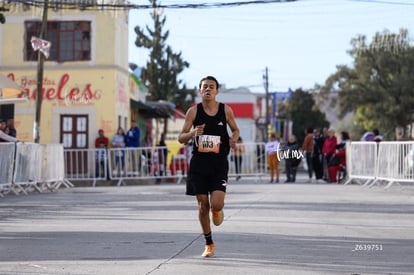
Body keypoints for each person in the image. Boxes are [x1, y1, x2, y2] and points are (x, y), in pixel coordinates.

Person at [178, 76, 240, 258]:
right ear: (199, 90)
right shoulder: (193, 112)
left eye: (211, 87)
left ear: (216, 91)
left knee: (217, 203)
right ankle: (209, 243)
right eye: (205, 87)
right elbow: (181, 138)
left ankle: (217, 210)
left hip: (219, 162)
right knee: (202, 206)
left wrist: (234, 139)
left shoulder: (225, 110)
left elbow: (236, 130)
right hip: (199, 164)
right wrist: (193, 133)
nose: (208, 89)